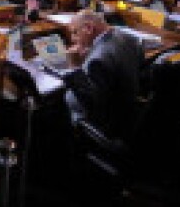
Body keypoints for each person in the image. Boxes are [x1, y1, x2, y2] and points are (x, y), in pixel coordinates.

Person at [62, 10, 144, 141]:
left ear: (89, 28)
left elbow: (90, 104)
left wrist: (75, 67)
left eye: (75, 32)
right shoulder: (130, 38)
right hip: (130, 111)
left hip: (108, 125)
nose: (73, 39)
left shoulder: (98, 59)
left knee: (54, 106)